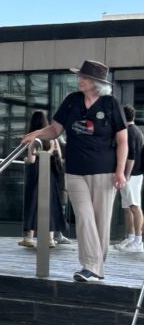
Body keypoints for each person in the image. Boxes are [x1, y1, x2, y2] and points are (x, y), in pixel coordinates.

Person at [22, 60, 127, 282]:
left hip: (104, 172)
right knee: (84, 218)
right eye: (80, 76)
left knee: (101, 221)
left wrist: (120, 171)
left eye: (85, 77)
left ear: (97, 83)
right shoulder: (72, 101)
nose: (80, 80)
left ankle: (97, 267)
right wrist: (36, 134)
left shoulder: (110, 104)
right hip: (75, 171)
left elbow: (122, 140)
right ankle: (90, 266)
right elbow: (55, 129)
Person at [18, 111, 67, 248]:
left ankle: (29, 237)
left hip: (36, 174)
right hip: (50, 174)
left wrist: (26, 160)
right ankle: (50, 238)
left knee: (33, 204)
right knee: (49, 204)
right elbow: (59, 156)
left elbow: (32, 160)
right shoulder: (53, 139)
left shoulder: (34, 139)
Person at [115, 105, 144, 252]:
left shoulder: (131, 132)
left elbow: (131, 156)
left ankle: (138, 241)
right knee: (127, 208)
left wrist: (125, 175)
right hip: (132, 174)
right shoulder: (135, 131)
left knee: (134, 206)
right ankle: (131, 237)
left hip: (133, 175)